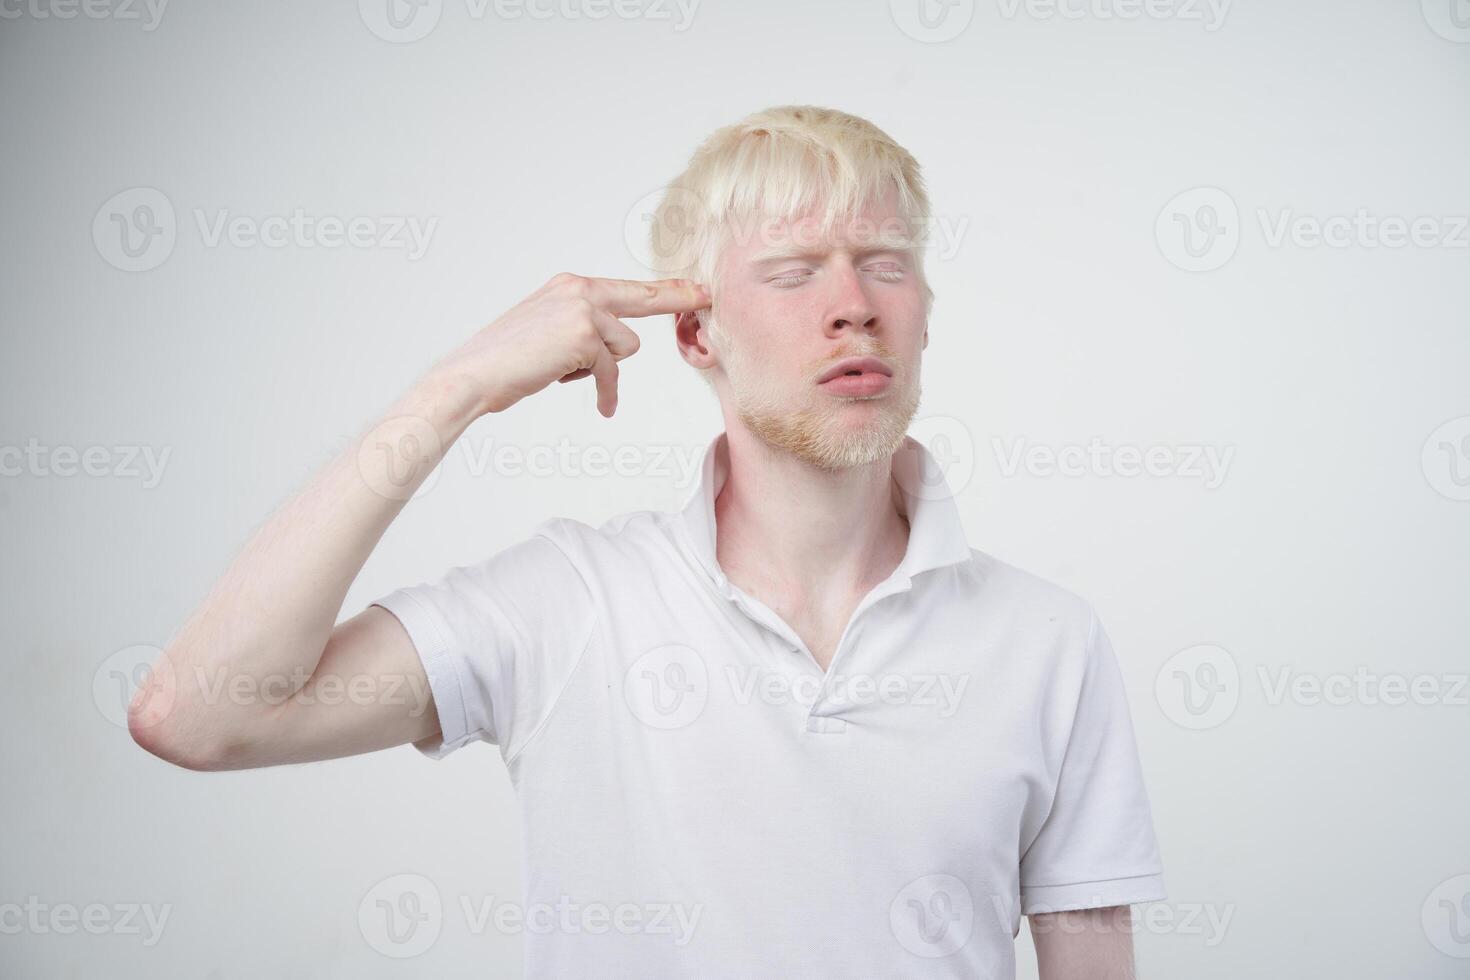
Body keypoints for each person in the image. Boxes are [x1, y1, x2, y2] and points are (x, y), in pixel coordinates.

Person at [129, 105, 1166, 978]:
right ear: (694, 332)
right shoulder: (570, 601)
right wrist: (457, 389)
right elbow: (198, 715)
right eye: (795, 270)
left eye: (884, 265)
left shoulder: (1048, 640)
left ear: (927, 315)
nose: (853, 306)